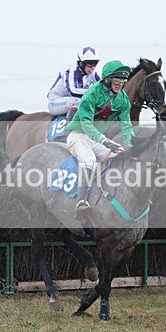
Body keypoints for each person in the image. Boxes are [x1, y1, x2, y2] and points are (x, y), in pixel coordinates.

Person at [65, 60, 134, 219]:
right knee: (89, 161)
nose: (120, 85)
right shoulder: (92, 92)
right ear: (107, 80)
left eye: (123, 82)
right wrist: (104, 141)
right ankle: (81, 201)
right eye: (117, 81)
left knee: (119, 156)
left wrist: (131, 144)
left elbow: (126, 125)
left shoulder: (123, 99)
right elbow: (86, 124)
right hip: (78, 136)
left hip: (96, 140)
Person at [47, 46, 102, 116]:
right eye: (90, 65)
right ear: (82, 63)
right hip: (55, 102)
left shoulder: (92, 73)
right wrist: (93, 91)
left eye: (95, 64)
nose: (92, 68)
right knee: (78, 102)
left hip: (70, 101)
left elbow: (101, 87)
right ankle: (71, 126)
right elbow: (73, 91)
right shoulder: (71, 70)